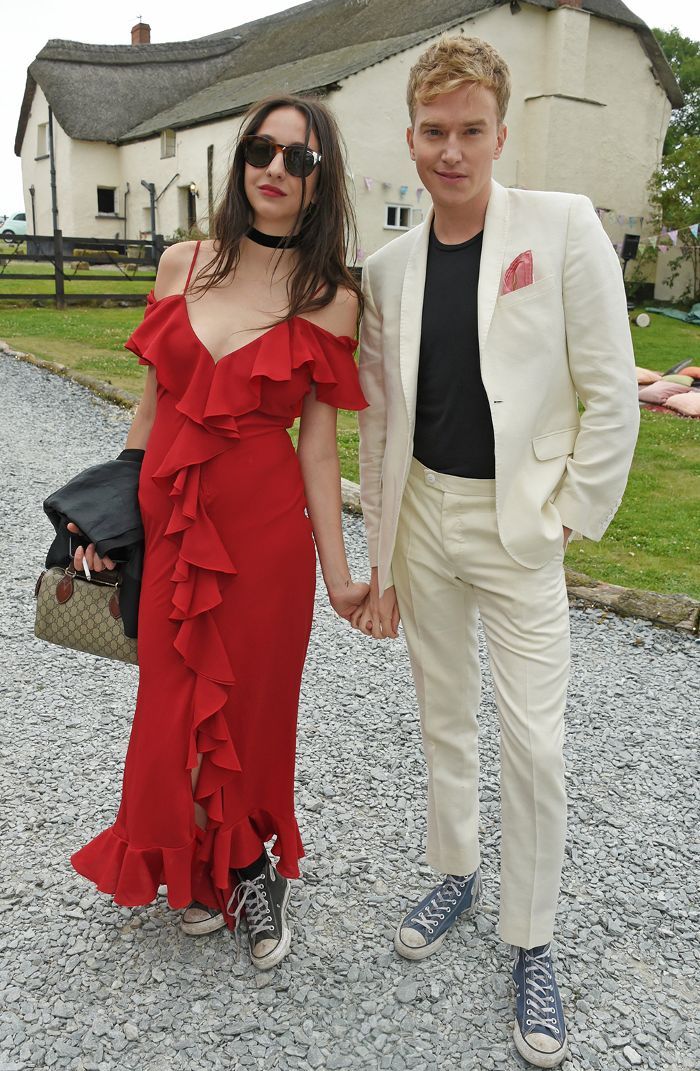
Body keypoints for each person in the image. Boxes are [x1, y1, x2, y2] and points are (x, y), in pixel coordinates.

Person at [354, 36, 639, 1067]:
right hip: (424, 514)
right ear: (411, 138)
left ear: (499, 132)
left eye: (470, 130)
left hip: (522, 524)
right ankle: (456, 869)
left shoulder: (562, 230)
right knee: (443, 714)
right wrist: (380, 556)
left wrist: (569, 513)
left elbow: (612, 390)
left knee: (537, 742)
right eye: (433, 132)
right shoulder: (387, 267)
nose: (452, 150)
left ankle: (532, 938)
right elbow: (380, 423)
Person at [70, 94, 369, 971]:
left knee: (251, 704)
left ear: (319, 184)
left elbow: (319, 449)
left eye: (299, 159)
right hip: (172, 510)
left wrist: (341, 573)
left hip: (266, 528)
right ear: (241, 162)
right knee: (170, 696)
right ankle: (194, 855)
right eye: (261, 149)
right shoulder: (181, 264)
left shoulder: (332, 296)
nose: (276, 168)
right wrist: (111, 514)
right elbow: (155, 397)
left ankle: (244, 863)